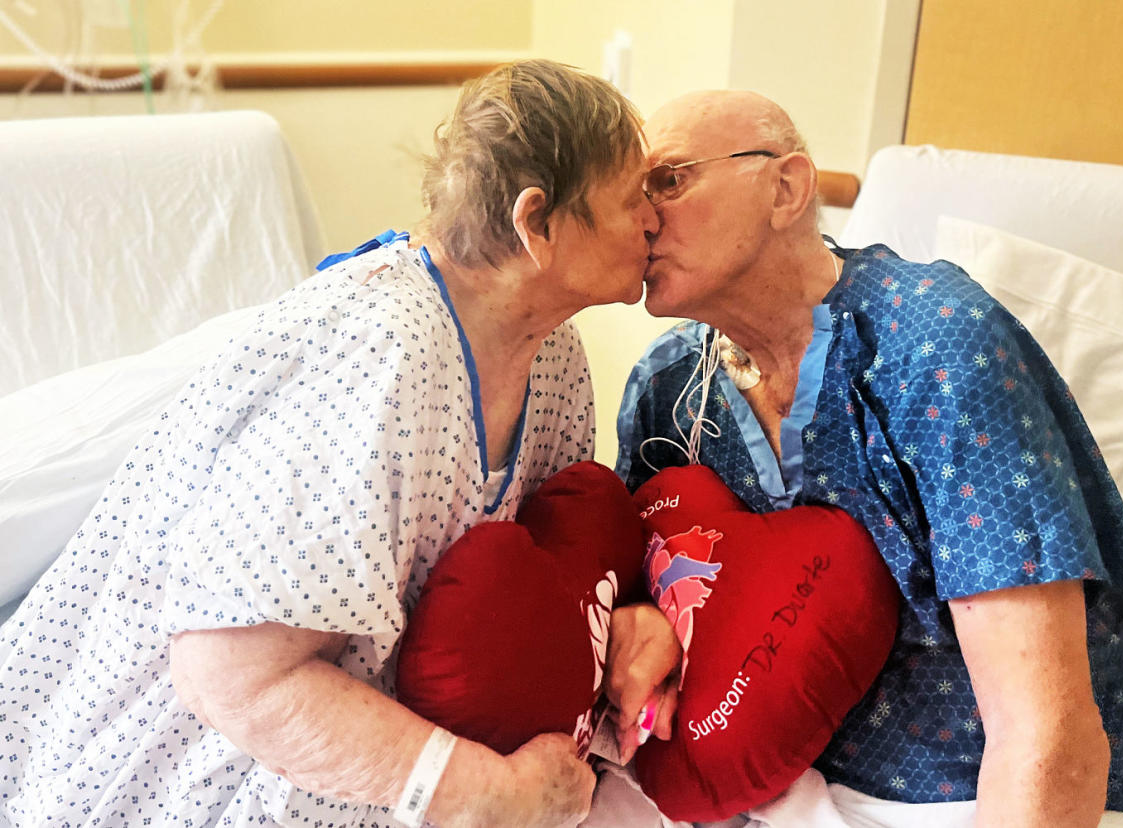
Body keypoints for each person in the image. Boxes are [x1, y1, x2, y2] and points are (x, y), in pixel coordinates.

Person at [0, 59, 658, 828]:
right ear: (536, 223)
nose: (653, 218)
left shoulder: (552, 354)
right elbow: (229, 678)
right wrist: (482, 792)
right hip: (182, 767)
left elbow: (551, 572)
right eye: (632, 195)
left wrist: (623, 622)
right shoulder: (383, 359)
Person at [611, 90, 1123, 827]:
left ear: (785, 188)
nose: (642, 216)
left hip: (1013, 796)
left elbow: (1045, 732)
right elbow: (645, 610)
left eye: (669, 181)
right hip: (788, 783)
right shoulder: (671, 390)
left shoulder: (935, 347)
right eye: (632, 195)